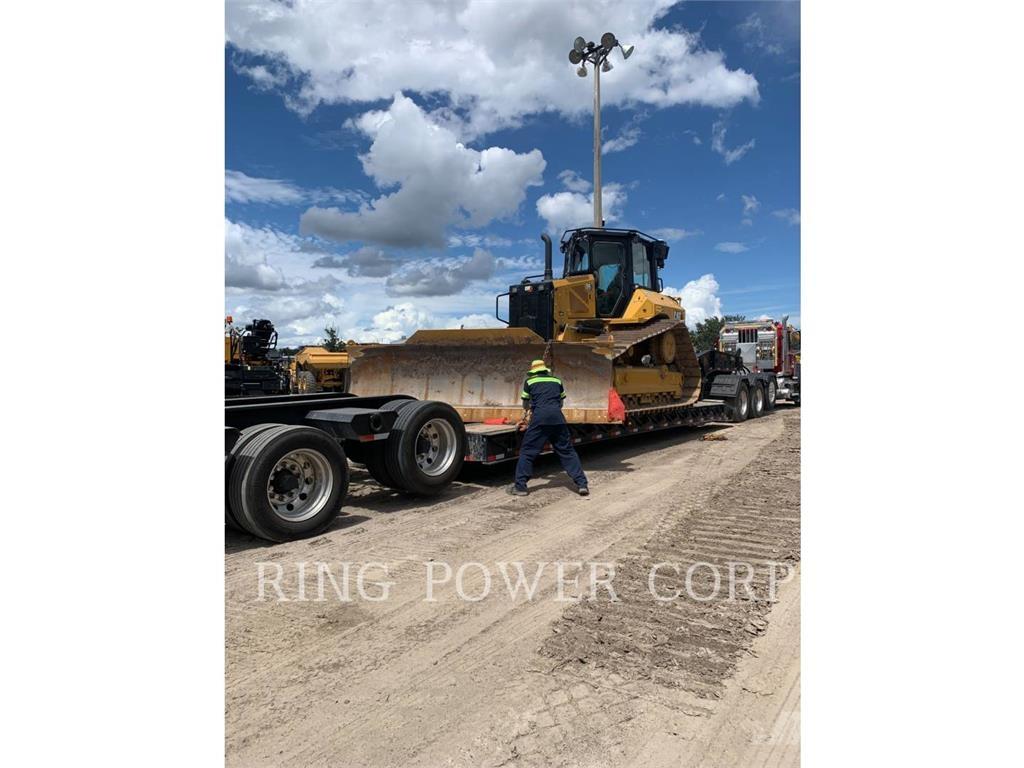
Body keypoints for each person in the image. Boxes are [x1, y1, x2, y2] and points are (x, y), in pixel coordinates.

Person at [509, 359, 589, 497]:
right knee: (567, 452)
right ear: (545, 370)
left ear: (533, 372)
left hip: (539, 420)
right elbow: (561, 401)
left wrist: (528, 415)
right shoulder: (557, 381)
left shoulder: (529, 382)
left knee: (527, 452)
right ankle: (582, 484)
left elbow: (525, 404)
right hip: (558, 419)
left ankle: (520, 487)